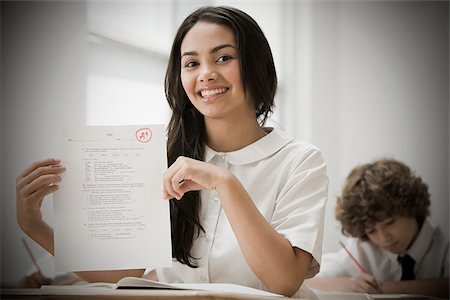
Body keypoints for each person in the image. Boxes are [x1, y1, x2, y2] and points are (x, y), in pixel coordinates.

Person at [16, 6, 328, 297]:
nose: (205, 73)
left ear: (255, 64)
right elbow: (125, 273)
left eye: (223, 58)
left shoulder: (300, 161)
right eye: (192, 63)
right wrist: (35, 226)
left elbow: (285, 280)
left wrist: (225, 183)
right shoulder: (157, 158)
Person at [307, 158, 449, 298]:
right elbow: (308, 279)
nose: (383, 238)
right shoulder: (363, 248)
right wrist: (348, 285)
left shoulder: (444, 245)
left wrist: (383, 288)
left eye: (390, 222)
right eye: (371, 230)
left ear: (412, 207)